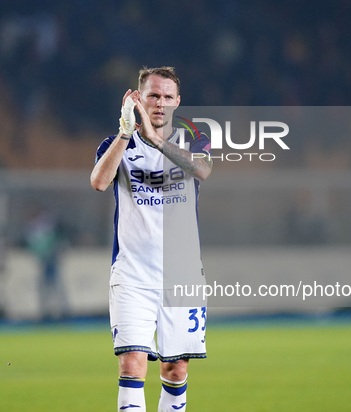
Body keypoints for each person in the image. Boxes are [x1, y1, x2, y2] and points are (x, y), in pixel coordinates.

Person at [91, 67, 212, 412]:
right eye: (153, 96)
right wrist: (126, 134)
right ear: (138, 98)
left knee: (175, 369)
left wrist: (158, 141)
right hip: (133, 275)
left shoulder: (194, 139)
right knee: (131, 364)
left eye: (167, 97)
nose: (160, 103)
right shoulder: (118, 145)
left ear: (177, 102)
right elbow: (99, 182)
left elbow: (203, 170)